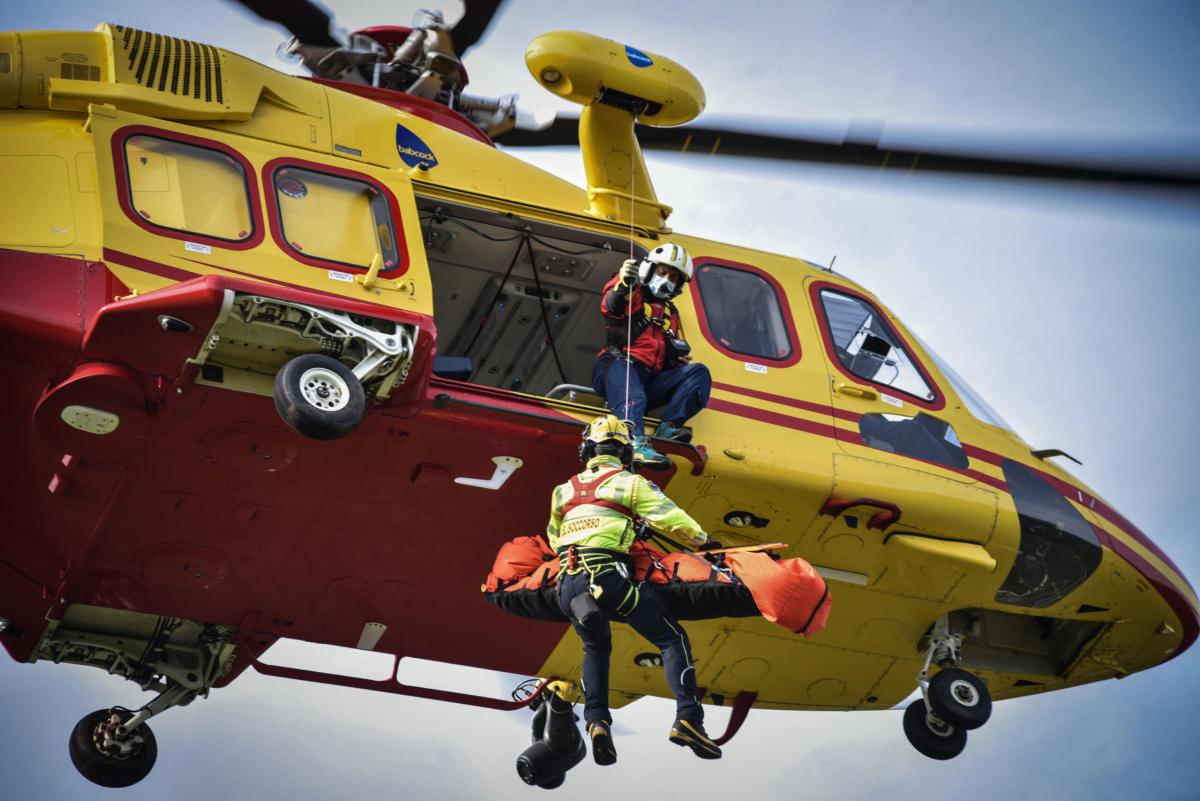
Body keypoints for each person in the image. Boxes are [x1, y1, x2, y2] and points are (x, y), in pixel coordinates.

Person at [546, 414, 723, 765]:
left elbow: (555, 538)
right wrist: (706, 543)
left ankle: (597, 722)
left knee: (596, 645)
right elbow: (673, 521)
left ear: (587, 450)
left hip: (567, 586)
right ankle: (689, 718)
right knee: (671, 638)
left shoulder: (563, 490)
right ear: (626, 454)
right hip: (608, 577)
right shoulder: (632, 483)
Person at [593, 243, 711, 466]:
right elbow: (612, 306)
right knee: (633, 391)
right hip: (617, 367)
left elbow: (659, 349)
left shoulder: (670, 314)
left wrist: (674, 361)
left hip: (648, 378)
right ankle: (635, 442)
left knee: (698, 373)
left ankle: (668, 431)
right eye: (662, 272)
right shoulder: (632, 292)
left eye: (673, 277)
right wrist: (624, 283)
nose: (666, 279)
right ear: (649, 270)